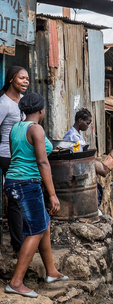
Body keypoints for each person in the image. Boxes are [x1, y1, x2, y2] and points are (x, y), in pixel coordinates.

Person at [4, 93, 67, 298]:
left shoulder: (15, 128)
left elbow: (16, 155)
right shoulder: (36, 129)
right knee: (36, 230)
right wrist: (53, 194)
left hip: (12, 181)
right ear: (41, 110)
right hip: (27, 184)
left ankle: (51, 272)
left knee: (43, 224)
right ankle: (16, 282)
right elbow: (42, 162)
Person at [0, 66, 28, 254]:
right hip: (6, 155)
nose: (26, 81)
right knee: (16, 199)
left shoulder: (23, 101)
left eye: (27, 78)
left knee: (23, 197)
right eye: (21, 78)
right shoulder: (4, 103)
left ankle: (23, 240)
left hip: (19, 155)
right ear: (11, 79)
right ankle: (18, 245)